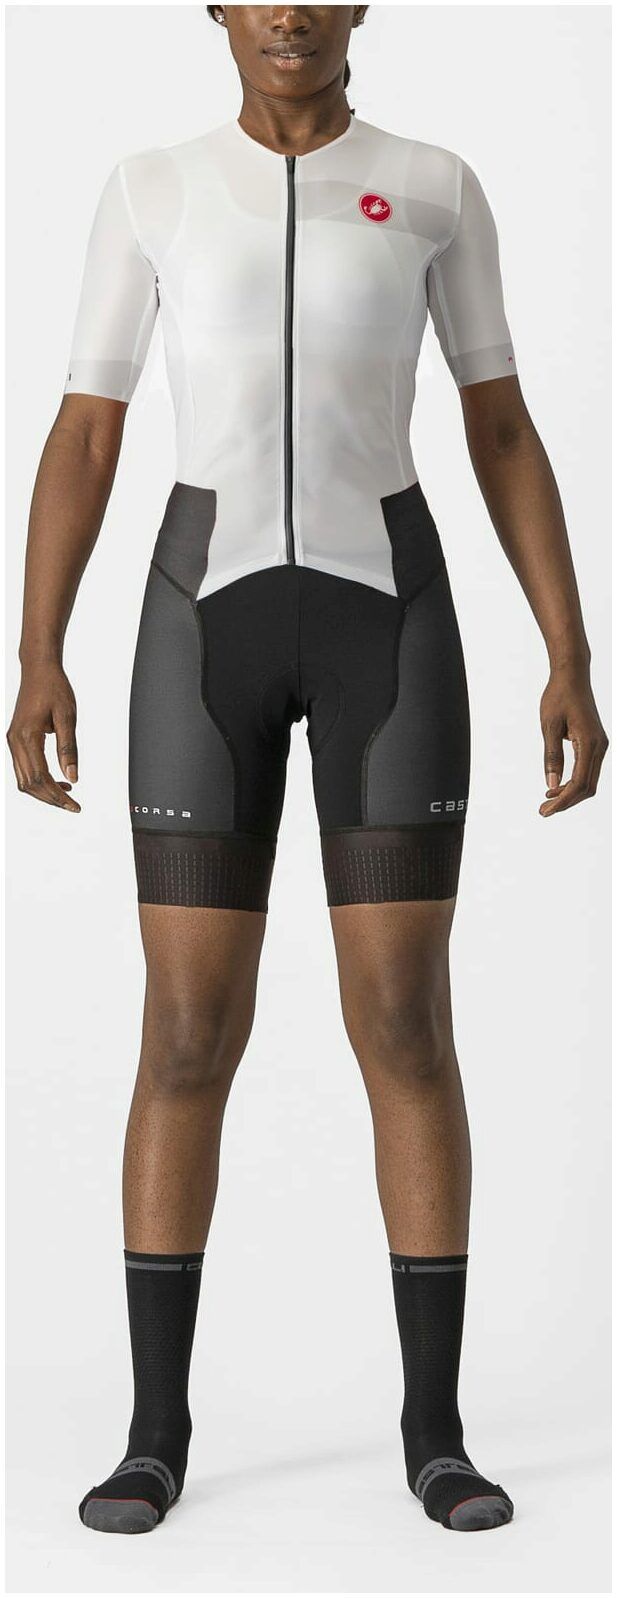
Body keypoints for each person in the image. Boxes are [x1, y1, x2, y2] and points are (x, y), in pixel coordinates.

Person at [7, 3, 608, 1539]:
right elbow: (85, 433)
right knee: (185, 1028)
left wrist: (567, 650)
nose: (286, 12)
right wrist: (37, 653)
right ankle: (154, 1435)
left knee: (403, 1019)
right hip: (196, 634)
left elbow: (498, 424)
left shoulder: (434, 183)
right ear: (214, 8)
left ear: (358, 7)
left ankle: (435, 1433)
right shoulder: (151, 184)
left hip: (384, 632)